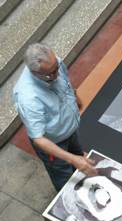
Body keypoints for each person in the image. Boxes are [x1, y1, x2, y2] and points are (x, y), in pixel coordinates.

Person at [13, 43, 97, 191]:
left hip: (68, 130)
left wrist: (75, 97)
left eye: (56, 68)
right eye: (51, 74)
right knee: (64, 178)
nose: (56, 74)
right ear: (35, 73)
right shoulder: (28, 97)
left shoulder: (53, 63)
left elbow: (65, 81)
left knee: (78, 156)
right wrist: (73, 159)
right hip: (54, 143)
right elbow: (38, 138)